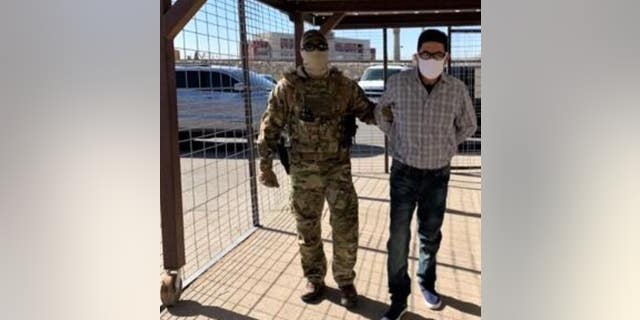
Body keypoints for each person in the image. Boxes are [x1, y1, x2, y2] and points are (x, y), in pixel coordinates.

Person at [256, 29, 377, 308]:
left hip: (338, 170)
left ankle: (345, 281)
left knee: (346, 226)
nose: (316, 55)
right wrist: (265, 165)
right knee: (307, 228)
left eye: (321, 50)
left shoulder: (343, 86)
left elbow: (367, 111)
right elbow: (270, 126)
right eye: (310, 50)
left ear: (327, 52)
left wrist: (389, 113)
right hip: (303, 171)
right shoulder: (287, 88)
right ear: (301, 53)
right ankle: (314, 279)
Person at [375, 29, 477, 320]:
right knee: (398, 236)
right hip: (404, 172)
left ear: (446, 57)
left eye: (437, 54)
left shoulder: (456, 89)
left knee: (430, 234)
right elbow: (381, 112)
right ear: (416, 55)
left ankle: (426, 283)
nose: (431, 58)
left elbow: (468, 125)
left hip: (437, 174)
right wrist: (396, 134)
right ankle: (398, 297)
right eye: (426, 53)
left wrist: (446, 144)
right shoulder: (399, 83)